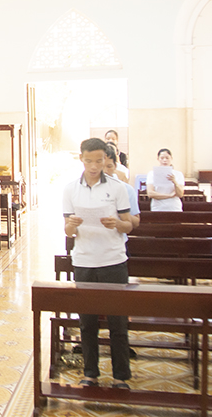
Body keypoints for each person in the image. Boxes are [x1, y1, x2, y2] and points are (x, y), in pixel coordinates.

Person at [63, 138, 134, 389]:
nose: (94, 166)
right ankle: (90, 373)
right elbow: (68, 231)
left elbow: (128, 224)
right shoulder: (71, 189)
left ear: (106, 159)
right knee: (87, 322)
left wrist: (119, 224)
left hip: (113, 260)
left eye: (99, 160)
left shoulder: (117, 188)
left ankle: (120, 376)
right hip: (84, 261)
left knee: (117, 323)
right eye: (89, 160)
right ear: (81, 159)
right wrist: (71, 226)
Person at [104, 146, 140, 234]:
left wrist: (121, 212)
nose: (105, 171)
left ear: (115, 166)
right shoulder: (86, 188)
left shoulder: (126, 189)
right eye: (101, 166)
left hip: (117, 241)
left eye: (109, 166)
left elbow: (136, 222)